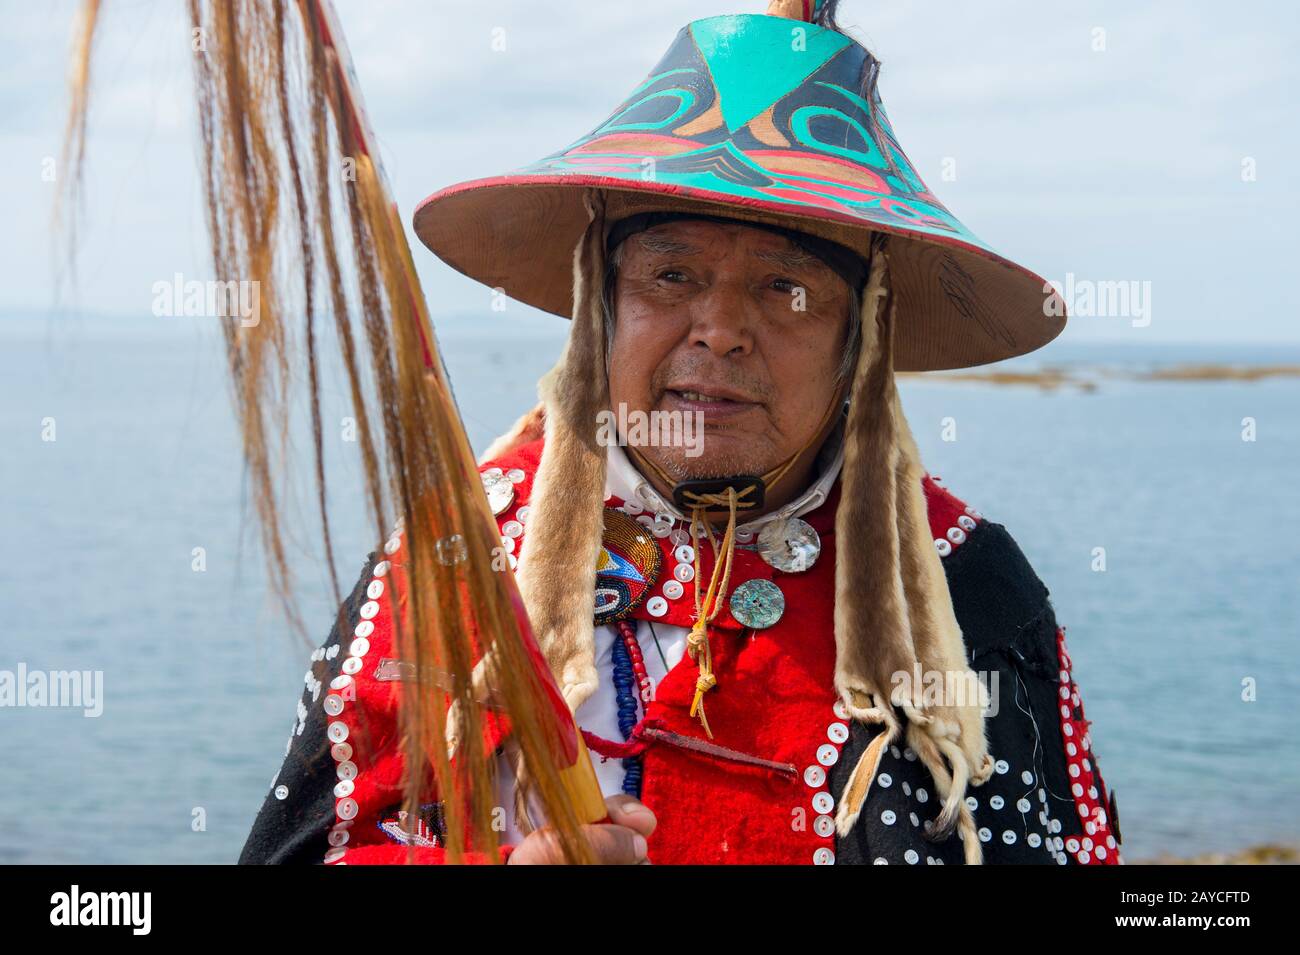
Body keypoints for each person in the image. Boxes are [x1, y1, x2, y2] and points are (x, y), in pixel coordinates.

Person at [239, 0, 1121, 865]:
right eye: (671, 274)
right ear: (601, 309)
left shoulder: (961, 584)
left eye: (787, 288)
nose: (721, 330)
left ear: (861, 340)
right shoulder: (459, 560)